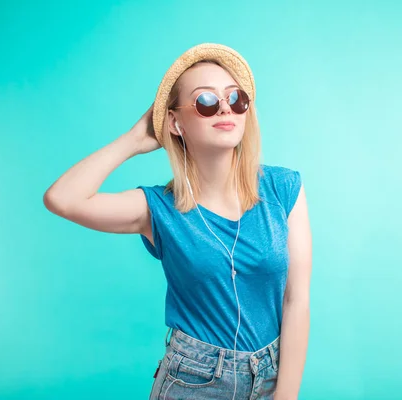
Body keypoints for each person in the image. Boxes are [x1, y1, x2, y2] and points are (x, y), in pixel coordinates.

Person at [43, 43, 312, 400]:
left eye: (236, 98)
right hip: (194, 381)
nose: (225, 109)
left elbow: (297, 300)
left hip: (271, 376)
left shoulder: (283, 188)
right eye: (205, 101)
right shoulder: (158, 209)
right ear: (175, 122)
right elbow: (62, 198)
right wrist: (134, 139)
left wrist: (286, 395)